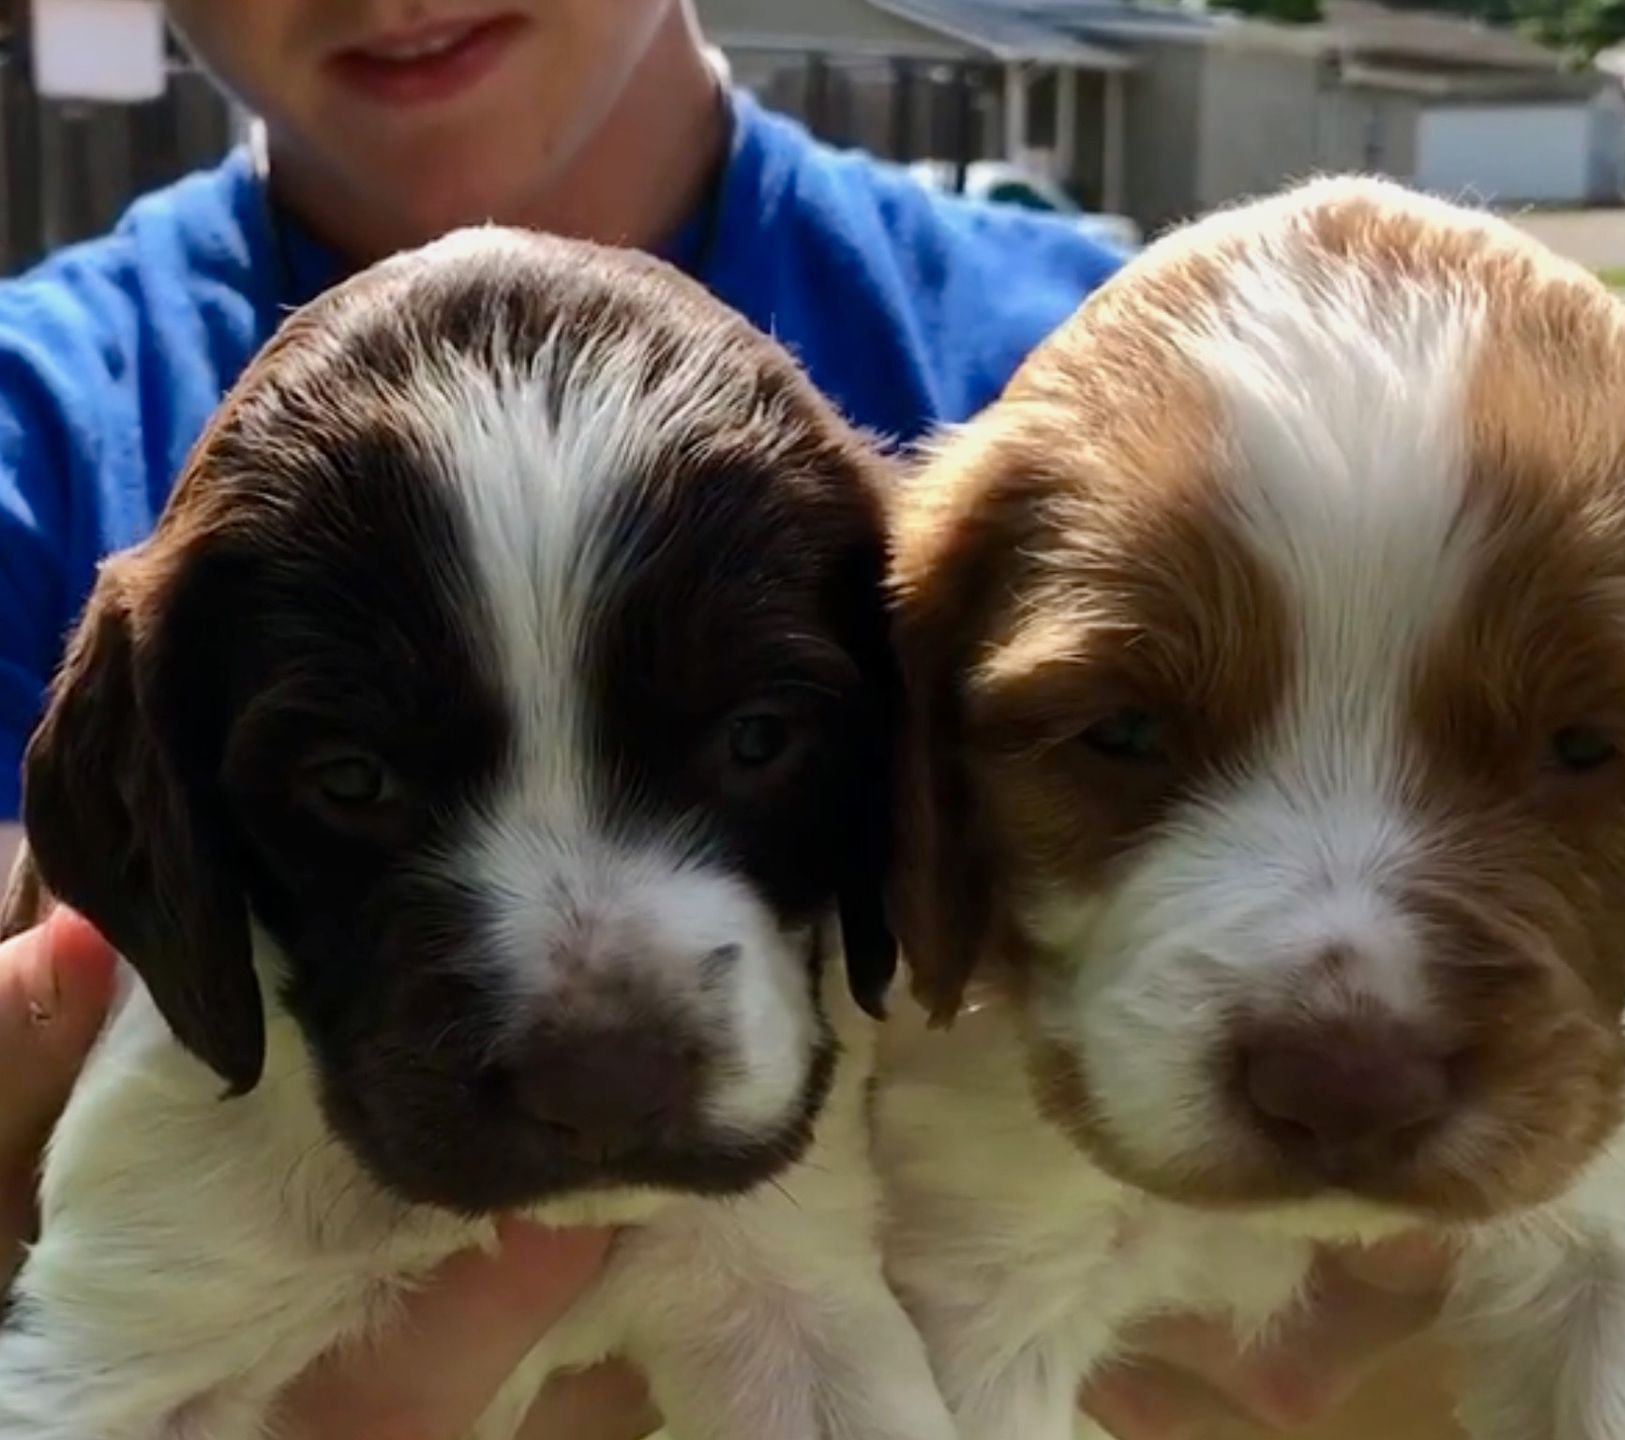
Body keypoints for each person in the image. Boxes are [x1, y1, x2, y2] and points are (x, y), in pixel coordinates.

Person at [0, 3, 1457, 1433]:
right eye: (355, 781)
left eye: (757, 745)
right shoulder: (48, 426)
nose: (597, 1038)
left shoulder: (1132, 423)